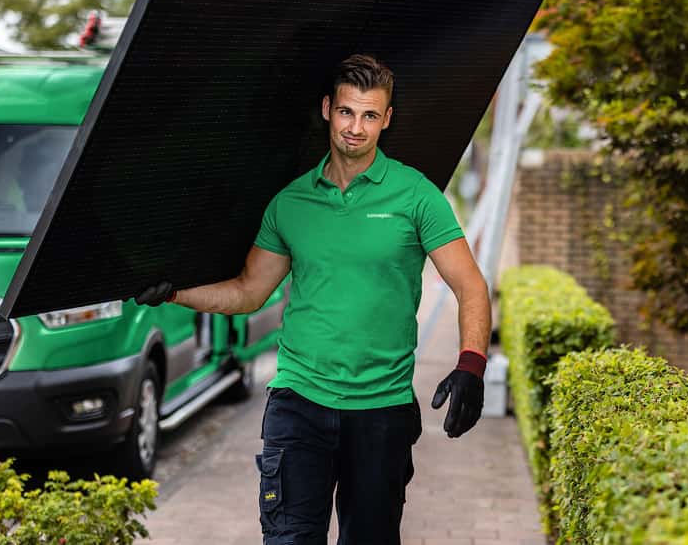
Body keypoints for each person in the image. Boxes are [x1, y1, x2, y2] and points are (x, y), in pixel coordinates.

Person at [135, 54, 491, 545]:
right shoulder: (290, 203)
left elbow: (470, 284)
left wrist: (471, 364)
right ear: (327, 109)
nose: (356, 128)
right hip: (299, 401)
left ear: (386, 120)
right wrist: (175, 292)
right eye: (347, 111)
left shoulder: (416, 196)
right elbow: (247, 291)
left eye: (370, 115)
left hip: (381, 410)